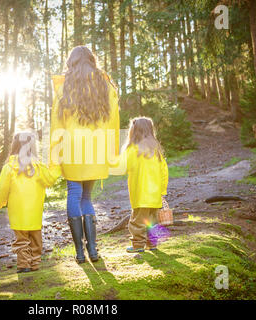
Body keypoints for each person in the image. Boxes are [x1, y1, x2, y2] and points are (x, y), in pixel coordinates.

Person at [50, 46, 120, 263]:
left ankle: (79, 252)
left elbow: (56, 126)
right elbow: (114, 122)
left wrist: (54, 157)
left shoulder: (64, 87)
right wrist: (112, 152)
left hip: (71, 147)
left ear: (71, 62)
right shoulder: (105, 84)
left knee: (74, 192)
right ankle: (93, 250)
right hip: (96, 148)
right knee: (87, 197)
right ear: (92, 60)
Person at [0, 132, 60, 273]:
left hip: (17, 211)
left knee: (21, 238)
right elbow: (50, 179)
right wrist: (57, 166)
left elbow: (2, 188)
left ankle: (24, 264)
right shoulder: (39, 167)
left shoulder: (9, 167)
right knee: (36, 238)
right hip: (35, 211)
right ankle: (35, 263)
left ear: (14, 146)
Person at [111, 117, 168, 252]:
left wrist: (106, 167)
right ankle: (152, 244)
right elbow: (164, 172)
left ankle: (137, 246)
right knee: (153, 222)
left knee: (137, 221)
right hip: (154, 196)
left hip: (140, 195)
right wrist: (162, 192)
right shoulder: (156, 151)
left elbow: (121, 168)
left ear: (134, 131)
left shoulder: (132, 150)